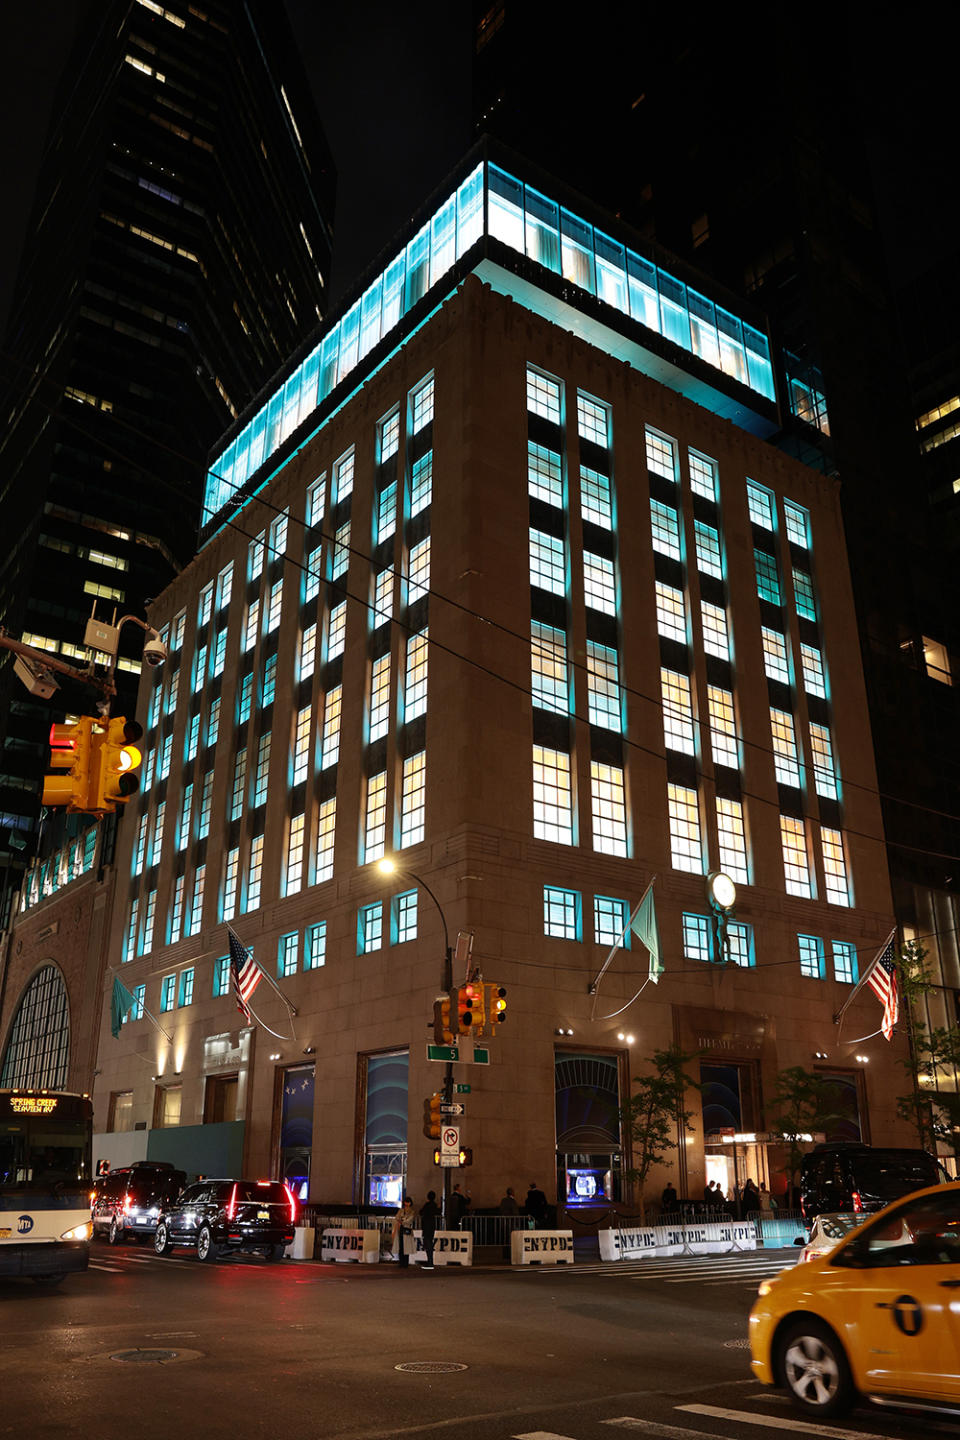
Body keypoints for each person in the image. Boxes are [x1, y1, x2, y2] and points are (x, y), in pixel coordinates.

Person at [392, 1194, 416, 1267]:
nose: (407, 1203)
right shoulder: (401, 1210)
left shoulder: (412, 1211)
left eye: (408, 1202)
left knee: (406, 1247)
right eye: (406, 1202)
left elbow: (410, 1220)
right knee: (401, 1246)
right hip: (400, 1229)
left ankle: (405, 1263)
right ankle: (401, 1262)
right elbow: (397, 1218)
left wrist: (402, 1221)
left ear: (410, 1203)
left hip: (407, 1229)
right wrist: (402, 1221)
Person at [419, 1189, 440, 1269]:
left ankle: (430, 1263)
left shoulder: (427, 1205)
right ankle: (430, 1262)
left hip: (426, 1226)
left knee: (428, 1245)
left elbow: (421, 1212)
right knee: (430, 1243)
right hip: (432, 1226)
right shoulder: (434, 1205)